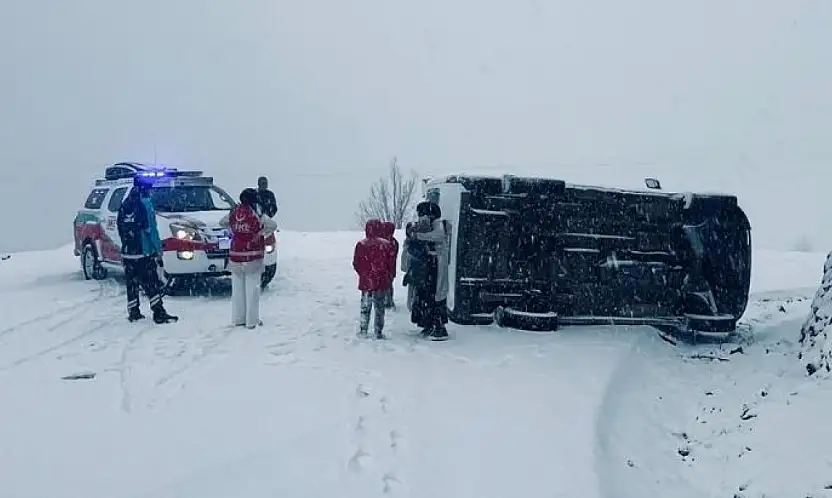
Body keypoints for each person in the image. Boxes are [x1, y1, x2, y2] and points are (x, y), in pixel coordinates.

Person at [116, 175, 179, 324]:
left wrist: (126, 244)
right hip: (143, 252)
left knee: (132, 284)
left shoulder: (126, 203)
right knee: (151, 282)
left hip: (128, 252)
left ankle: (133, 311)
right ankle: (158, 312)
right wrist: (157, 249)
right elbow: (151, 229)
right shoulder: (145, 203)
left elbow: (120, 227)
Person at [219, 188, 277, 329]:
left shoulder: (234, 212)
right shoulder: (256, 213)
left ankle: (238, 318)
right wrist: (260, 233)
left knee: (238, 289)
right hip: (252, 255)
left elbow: (222, 222)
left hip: (236, 254)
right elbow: (273, 225)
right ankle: (252, 320)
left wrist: (234, 232)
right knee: (252, 289)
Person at [410, 201, 451, 340]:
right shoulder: (432, 224)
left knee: (436, 296)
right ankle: (429, 324)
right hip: (431, 266)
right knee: (428, 295)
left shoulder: (438, 224)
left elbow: (438, 236)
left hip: (437, 266)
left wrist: (419, 236)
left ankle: (439, 326)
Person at [353, 219, 395, 339]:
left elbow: (356, 263)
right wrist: (387, 275)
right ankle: (378, 331)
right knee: (379, 307)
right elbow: (390, 264)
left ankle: (363, 329)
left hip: (366, 282)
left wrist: (363, 274)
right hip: (381, 281)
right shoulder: (386, 244)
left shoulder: (361, 244)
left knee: (365, 307)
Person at [380, 221, 399, 309]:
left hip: (385, 269)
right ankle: (388, 300)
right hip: (389, 269)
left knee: (385, 285)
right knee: (388, 285)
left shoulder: (383, 242)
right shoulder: (394, 242)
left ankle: (387, 301)